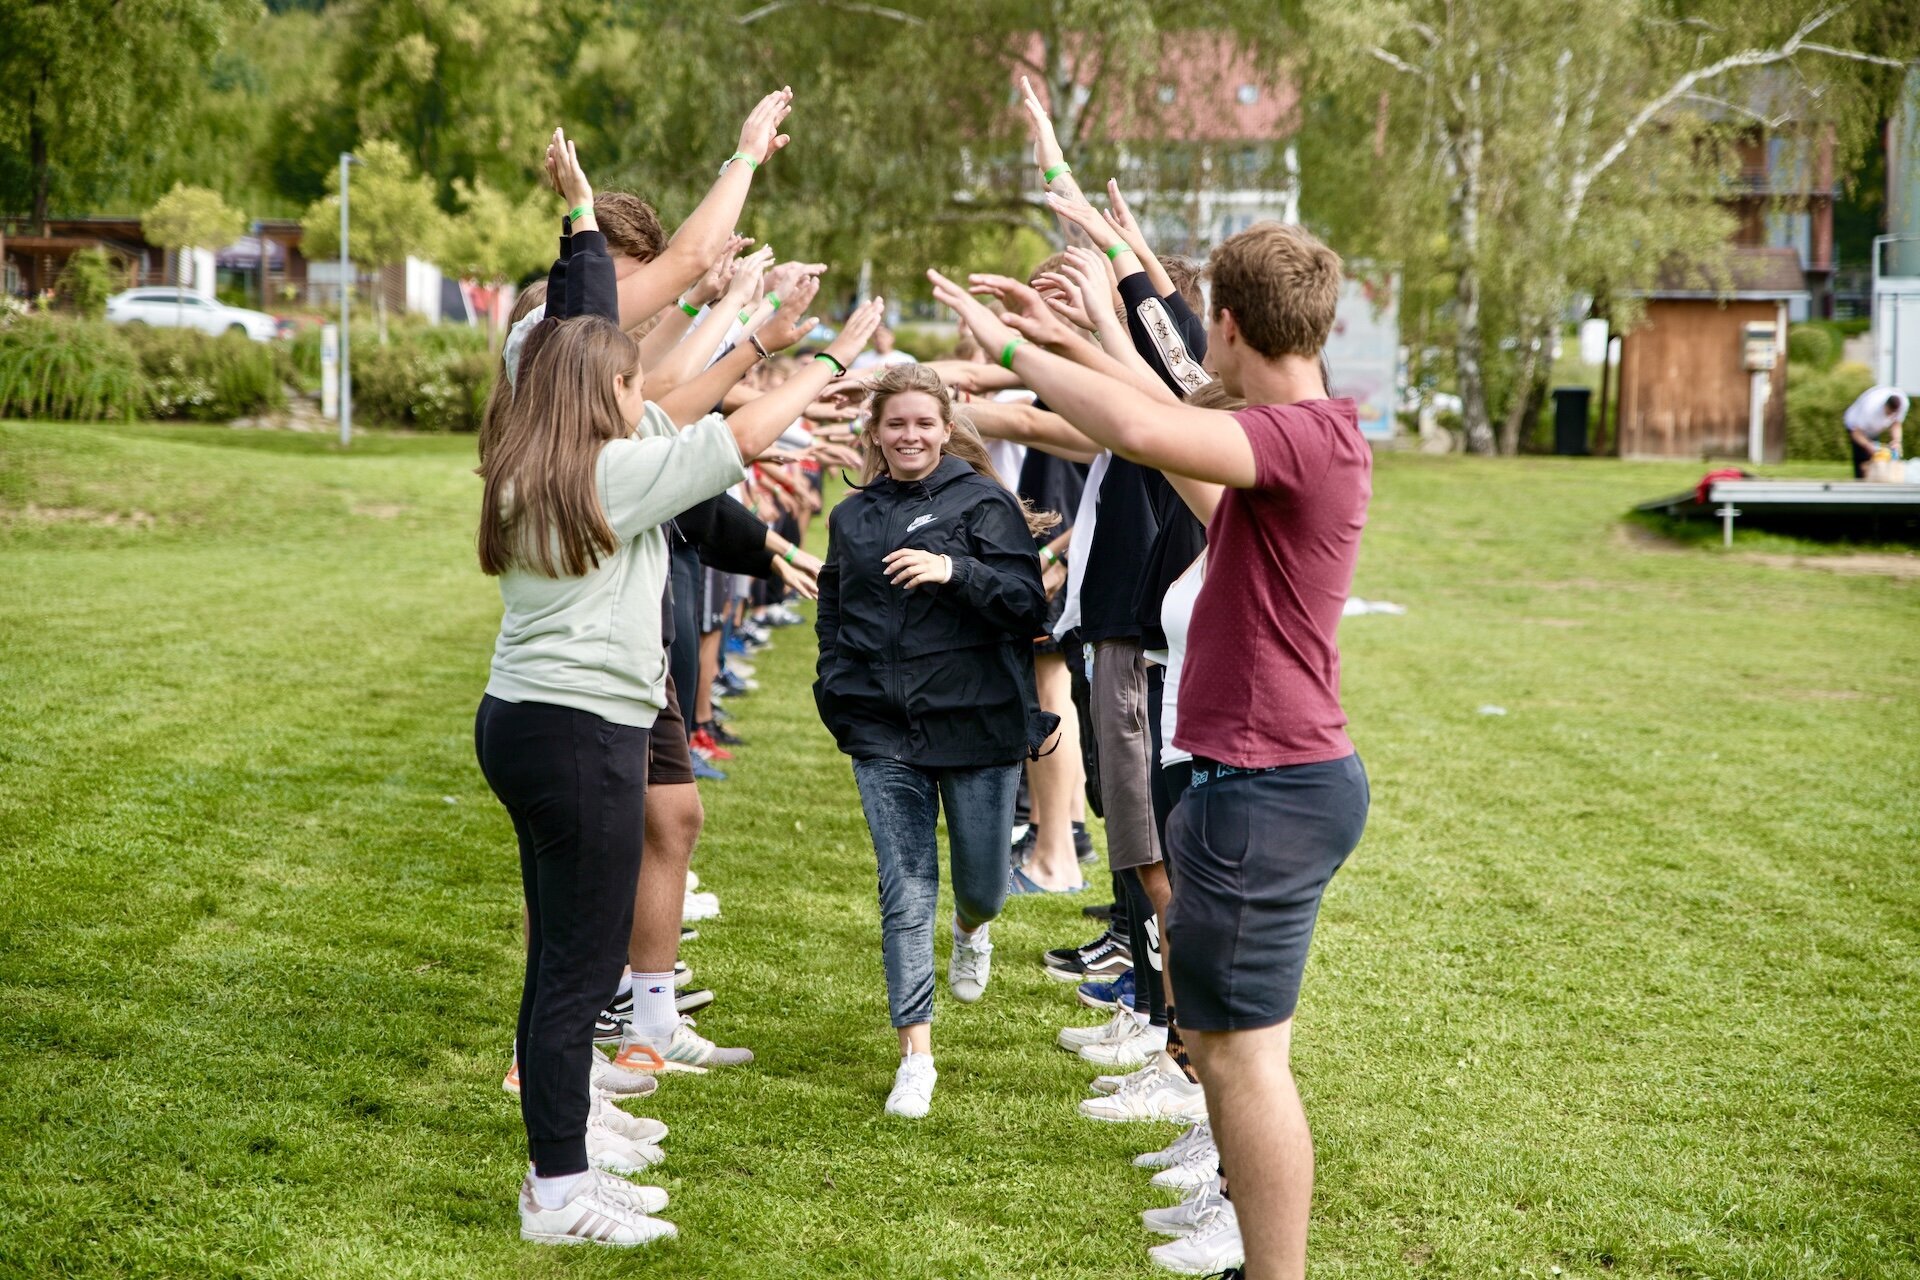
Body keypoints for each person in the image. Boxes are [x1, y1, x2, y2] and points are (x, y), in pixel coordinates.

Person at [930, 215, 1371, 1280]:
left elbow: (1145, 423)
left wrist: (1012, 346)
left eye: (1205, 324)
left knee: (1248, 1060)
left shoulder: (1300, 439)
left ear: (1229, 325)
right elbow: (1158, 419)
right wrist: (1080, 334)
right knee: (1218, 1047)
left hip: (1267, 786)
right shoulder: (1290, 438)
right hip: (1252, 783)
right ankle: (1246, 1245)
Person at [813, 364, 1058, 1119]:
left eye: (924, 423)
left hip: (977, 721)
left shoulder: (983, 501)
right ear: (875, 431)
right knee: (906, 887)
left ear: (947, 428)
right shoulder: (852, 516)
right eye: (896, 423)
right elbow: (832, 606)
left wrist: (954, 570)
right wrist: (834, 686)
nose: (910, 435)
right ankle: (915, 1057)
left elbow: (1026, 605)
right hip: (882, 729)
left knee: (982, 886)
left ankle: (972, 928)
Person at [1843, 385, 1908, 478]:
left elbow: (1896, 423)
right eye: (1889, 413)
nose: (1890, 416)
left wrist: (1897, 441)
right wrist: (1868, 445)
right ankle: (1861, 482)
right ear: (1885, 406)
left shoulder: (1903, 403)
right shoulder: (1869, 408)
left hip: (1873, 427)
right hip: (1855, 425)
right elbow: (1855, 432)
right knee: (1863, 457)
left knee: (1877, 457)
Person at [848, 323, 917, 371]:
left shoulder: (907, 360)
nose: (879, 340)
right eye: (876, 336)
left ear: (892, 337)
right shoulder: (861, 359)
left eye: (883, 336)